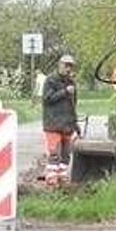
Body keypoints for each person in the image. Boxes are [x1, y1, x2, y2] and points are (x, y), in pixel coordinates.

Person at [42, 54, 79, 186]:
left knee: (66, 155)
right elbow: (47, 99)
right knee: (54, 154)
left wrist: (75, 124)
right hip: (53, 124)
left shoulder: (71, 83)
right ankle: (52, 181)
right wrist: (64, 92)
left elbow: (73, 104)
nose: (68, 69)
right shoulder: (50, 80)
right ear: (59, 65)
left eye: (70, 66)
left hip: (67, 125)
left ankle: (62, 179)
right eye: (66, 65)